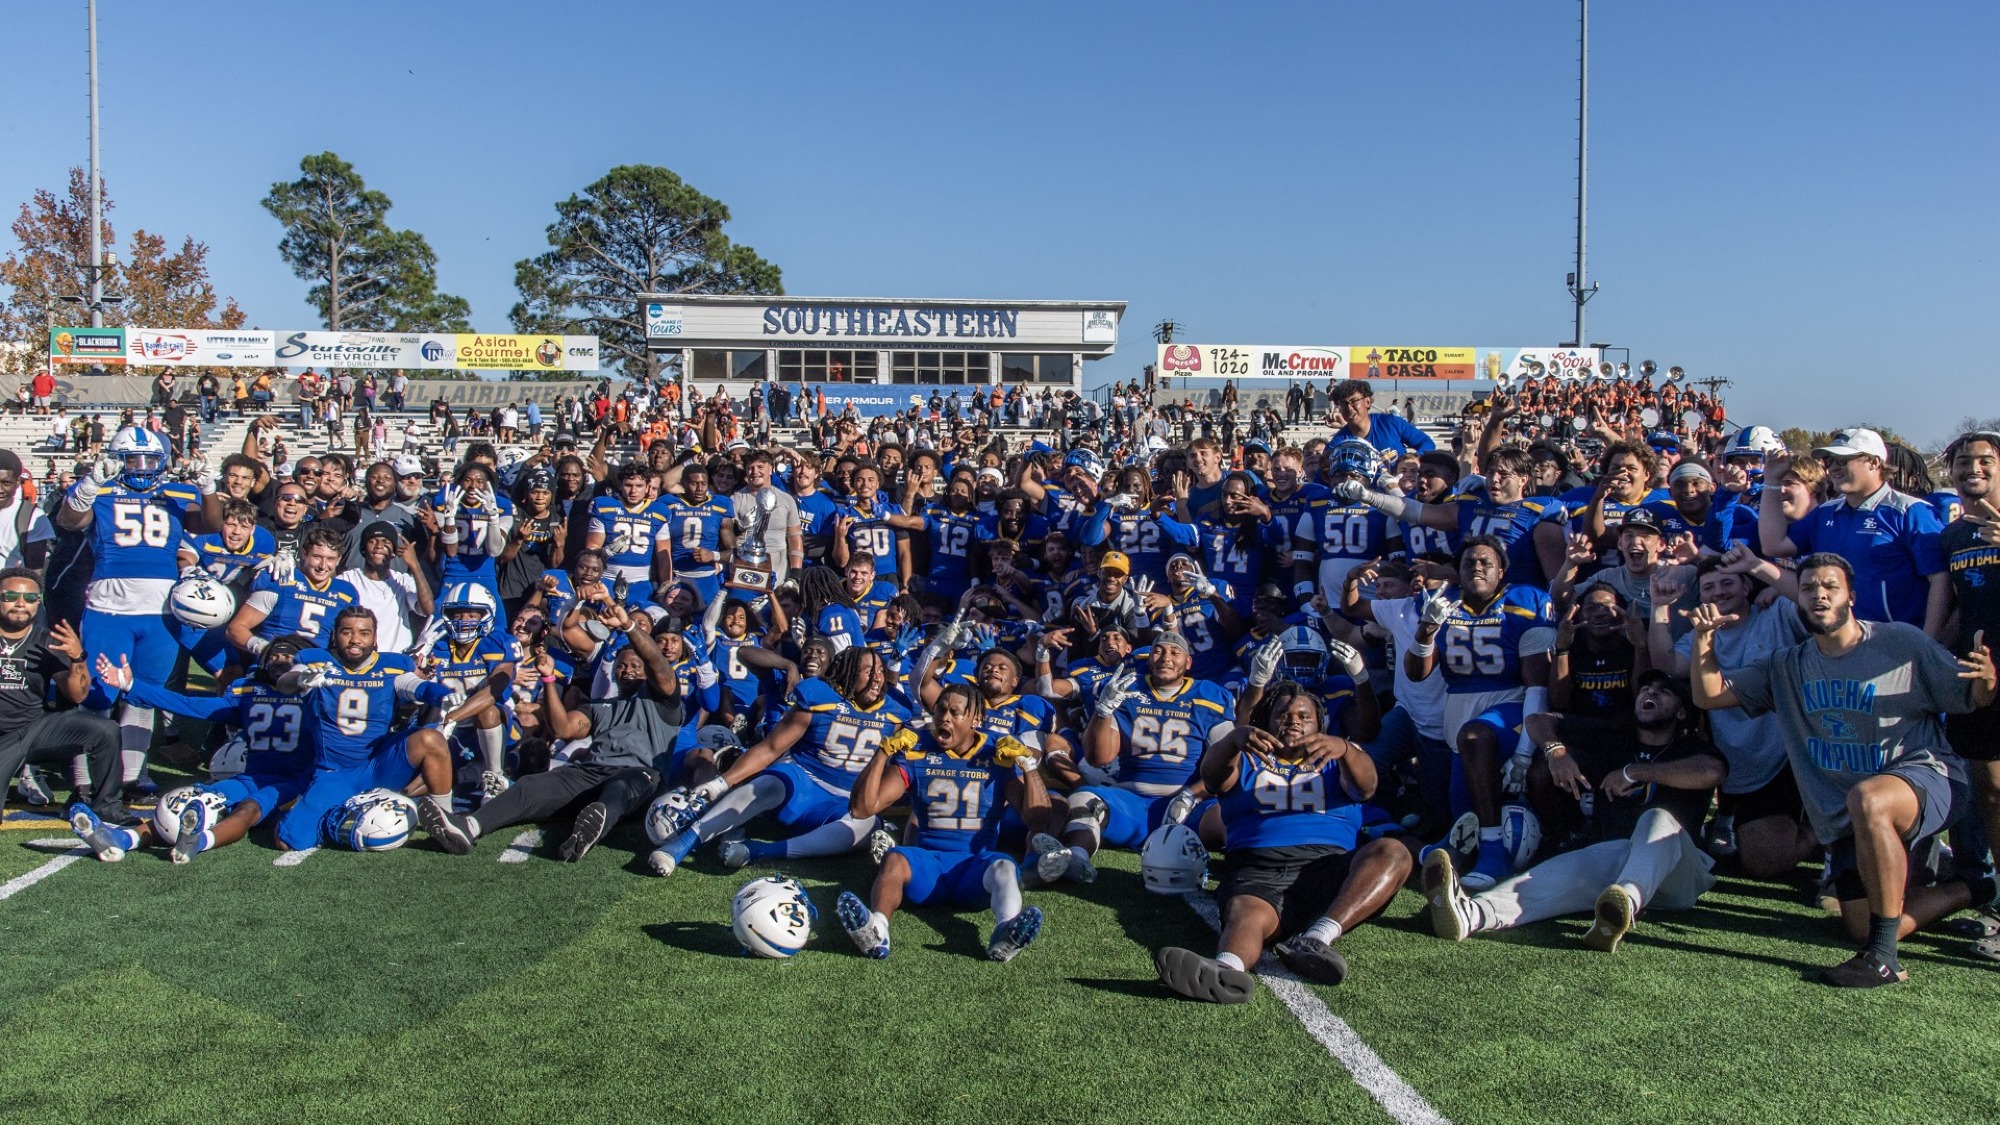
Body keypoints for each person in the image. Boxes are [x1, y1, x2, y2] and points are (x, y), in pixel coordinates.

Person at [1689, 553, 1995, 987]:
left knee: (1869, 798)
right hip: (1854, 816)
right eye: (1810, 587)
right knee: (1860, 922)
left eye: (1830, 586)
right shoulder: (1787, 666)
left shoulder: (1901, 642)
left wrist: (1985, 682)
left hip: (1928, 777)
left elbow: (1970, 697)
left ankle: (1883, 959)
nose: (1819, 595)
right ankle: (1975, 887)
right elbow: (1710, 696)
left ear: (1851, 596)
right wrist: (1703, 640)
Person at [1425, 671, 1727, 951]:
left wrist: (1635, 772)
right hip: (1615, 863)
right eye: (1646, 688)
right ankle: (1472, 914)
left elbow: (1712, 772)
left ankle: (1627, 901)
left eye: (1664, 692)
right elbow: (1538, 720)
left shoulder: (1691, 748)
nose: (1651, 693)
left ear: (1682, 712)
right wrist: (1555, 750)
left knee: (1657, 818)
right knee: (1548, 876)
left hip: (1678, 874)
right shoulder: (1615, 735)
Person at [1155, 680, 1412, 1002]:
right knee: (1245, 912)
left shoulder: (1339, 758)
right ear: (1267, 721)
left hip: (1326, 868)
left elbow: (1367, 788)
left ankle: (1318, 938)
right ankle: (1226, 973)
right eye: (1283, 714)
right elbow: (1213, 776)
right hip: (1257, 869)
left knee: (1393, 851)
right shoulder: (1245, 757)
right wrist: (1234, 738)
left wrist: (1345, 748)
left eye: (1304, 716)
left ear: (1320, 724)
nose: (1293, 721)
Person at [421, 602, 684, 862]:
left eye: (635, 666)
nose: (627, 670)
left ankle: (591, 827)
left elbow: (656, 662)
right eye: (622, 666)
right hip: (590, 773)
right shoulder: (600, 706)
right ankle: (469, 827)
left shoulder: (664, 701)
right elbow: (562, 728)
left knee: (620, 787)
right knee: (530, 786)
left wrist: (628, 625)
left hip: (640, 775)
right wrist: (547, 680)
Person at [648, 646, 913, 876]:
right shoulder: (820, 699)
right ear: (849, 673)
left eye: (879, 672)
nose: (877, 679)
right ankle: (681, 844)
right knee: (767, 784)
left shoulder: (895, 710)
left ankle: (759, 851)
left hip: (845, 802)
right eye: (869, 671)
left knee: (867, 825)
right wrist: (722, 782)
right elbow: (771, 747)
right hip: (804, 785)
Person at [834, 685, 1052, 962]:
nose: (944, 718)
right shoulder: (917, 750)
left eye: (955, 712)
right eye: (940, 709)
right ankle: (877, 929)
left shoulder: (995, 751)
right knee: (894, 858)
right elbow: (863, 808)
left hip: (975, 870)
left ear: (976, 720)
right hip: (927, 866)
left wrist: (1028, 766)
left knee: (1004, 865)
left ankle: (1005, 932)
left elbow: (1039, 820)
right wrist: (883, 752)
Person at [54, 425, 210, 791]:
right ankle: (84, 778)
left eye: (150, 460)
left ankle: (130, 774)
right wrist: (89, 484)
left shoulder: (176, 494)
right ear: (116, 460)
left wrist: (207, 486)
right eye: (133, 459)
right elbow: (68, 522)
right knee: (98, 696)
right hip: (111, 608)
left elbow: (208, 524)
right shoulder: (101, 490)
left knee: (144, 694)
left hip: (161, 613)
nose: (142, 467)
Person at [1403, 536, 1557, 889]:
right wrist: (1426, 629)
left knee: (1476, 736)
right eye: (1469, 562)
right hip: (1459, 711)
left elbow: (1537, 683)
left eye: (1486, 562)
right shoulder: (1444, 606)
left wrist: (1523, 751)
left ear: (1501, 571)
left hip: (1513, 708)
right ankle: (1463, 850)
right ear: (1456, 572)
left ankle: (1495, 853)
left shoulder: (1526, 602)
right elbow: (1416, 672)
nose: (1476, 567)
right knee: (1465, 819)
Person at [87, 636, 315, 864]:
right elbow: (191, 705)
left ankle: (199, 841)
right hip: (251, 777)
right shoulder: (249, 692)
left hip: (294, 783)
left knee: (247, 809)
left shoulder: (315, 694)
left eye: (287, 656)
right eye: (273, 656)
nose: (279, 661)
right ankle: (123, 839)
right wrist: (132, 685)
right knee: (192, 801)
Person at [271, 606, 479, 853]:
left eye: (364, 633)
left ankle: (446, 818)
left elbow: (415, 686)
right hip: (334, 772)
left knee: (431, 739)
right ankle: (345, 813)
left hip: (379, 766)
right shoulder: (315, 662)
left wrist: (443, 695)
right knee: (289, 841)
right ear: (335, 635)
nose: (355, 639)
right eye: (347, 632)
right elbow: (285, 683)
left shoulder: (392, 666)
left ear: (375, 638)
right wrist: (299, 680)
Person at [1058, 630, 1234, 882]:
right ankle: (1076, 858)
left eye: (1175, 652)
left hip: (1190, 807)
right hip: (1133, 804)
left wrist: (1191, 795)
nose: (1166, 657)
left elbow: (1228, 763)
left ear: (1188, 662)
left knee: (1227, 813)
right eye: (1158, 651)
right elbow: (1099, 757)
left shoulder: (1210, 695)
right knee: (1083, 800)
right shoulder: (1127, 689)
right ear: (1149, 659)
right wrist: (1104, 710)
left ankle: (1243, 867)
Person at [1757, 431, 1947, 636]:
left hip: (1898, 641)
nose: (1834, 467)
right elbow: (1773, 545)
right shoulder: (1825, 512)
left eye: (1844, 459)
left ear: (1874, 463)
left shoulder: (1911, 511)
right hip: (1839, 640)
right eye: (1830, 461)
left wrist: (1929, 641)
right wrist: (1772, 481)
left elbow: (1940, 579)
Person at [1330, 379, 1435, 456]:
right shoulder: (1339, 442)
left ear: (1367, 402)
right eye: (1343, 404)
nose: (1349, 408)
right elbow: (1322, 471)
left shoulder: (1391, 423)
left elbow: (1427, 443)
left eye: (1354, 401)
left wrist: (1414, 459)